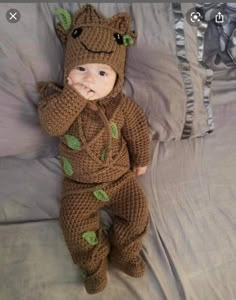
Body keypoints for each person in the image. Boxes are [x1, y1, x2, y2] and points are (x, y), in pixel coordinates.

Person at [37, 4, 151, 294]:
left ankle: (124, 252)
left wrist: (142, 159)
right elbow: (52, 126)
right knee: (74, 223)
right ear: (67, 73)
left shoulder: (122, 106)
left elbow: (138, 132)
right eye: (82, 69)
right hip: (79, 186)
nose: (90, 79)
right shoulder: (57, 100)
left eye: (102, 72)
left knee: (138, 211)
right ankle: (94, 263)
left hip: (120, 180)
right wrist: (73, 97)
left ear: (116, 79)